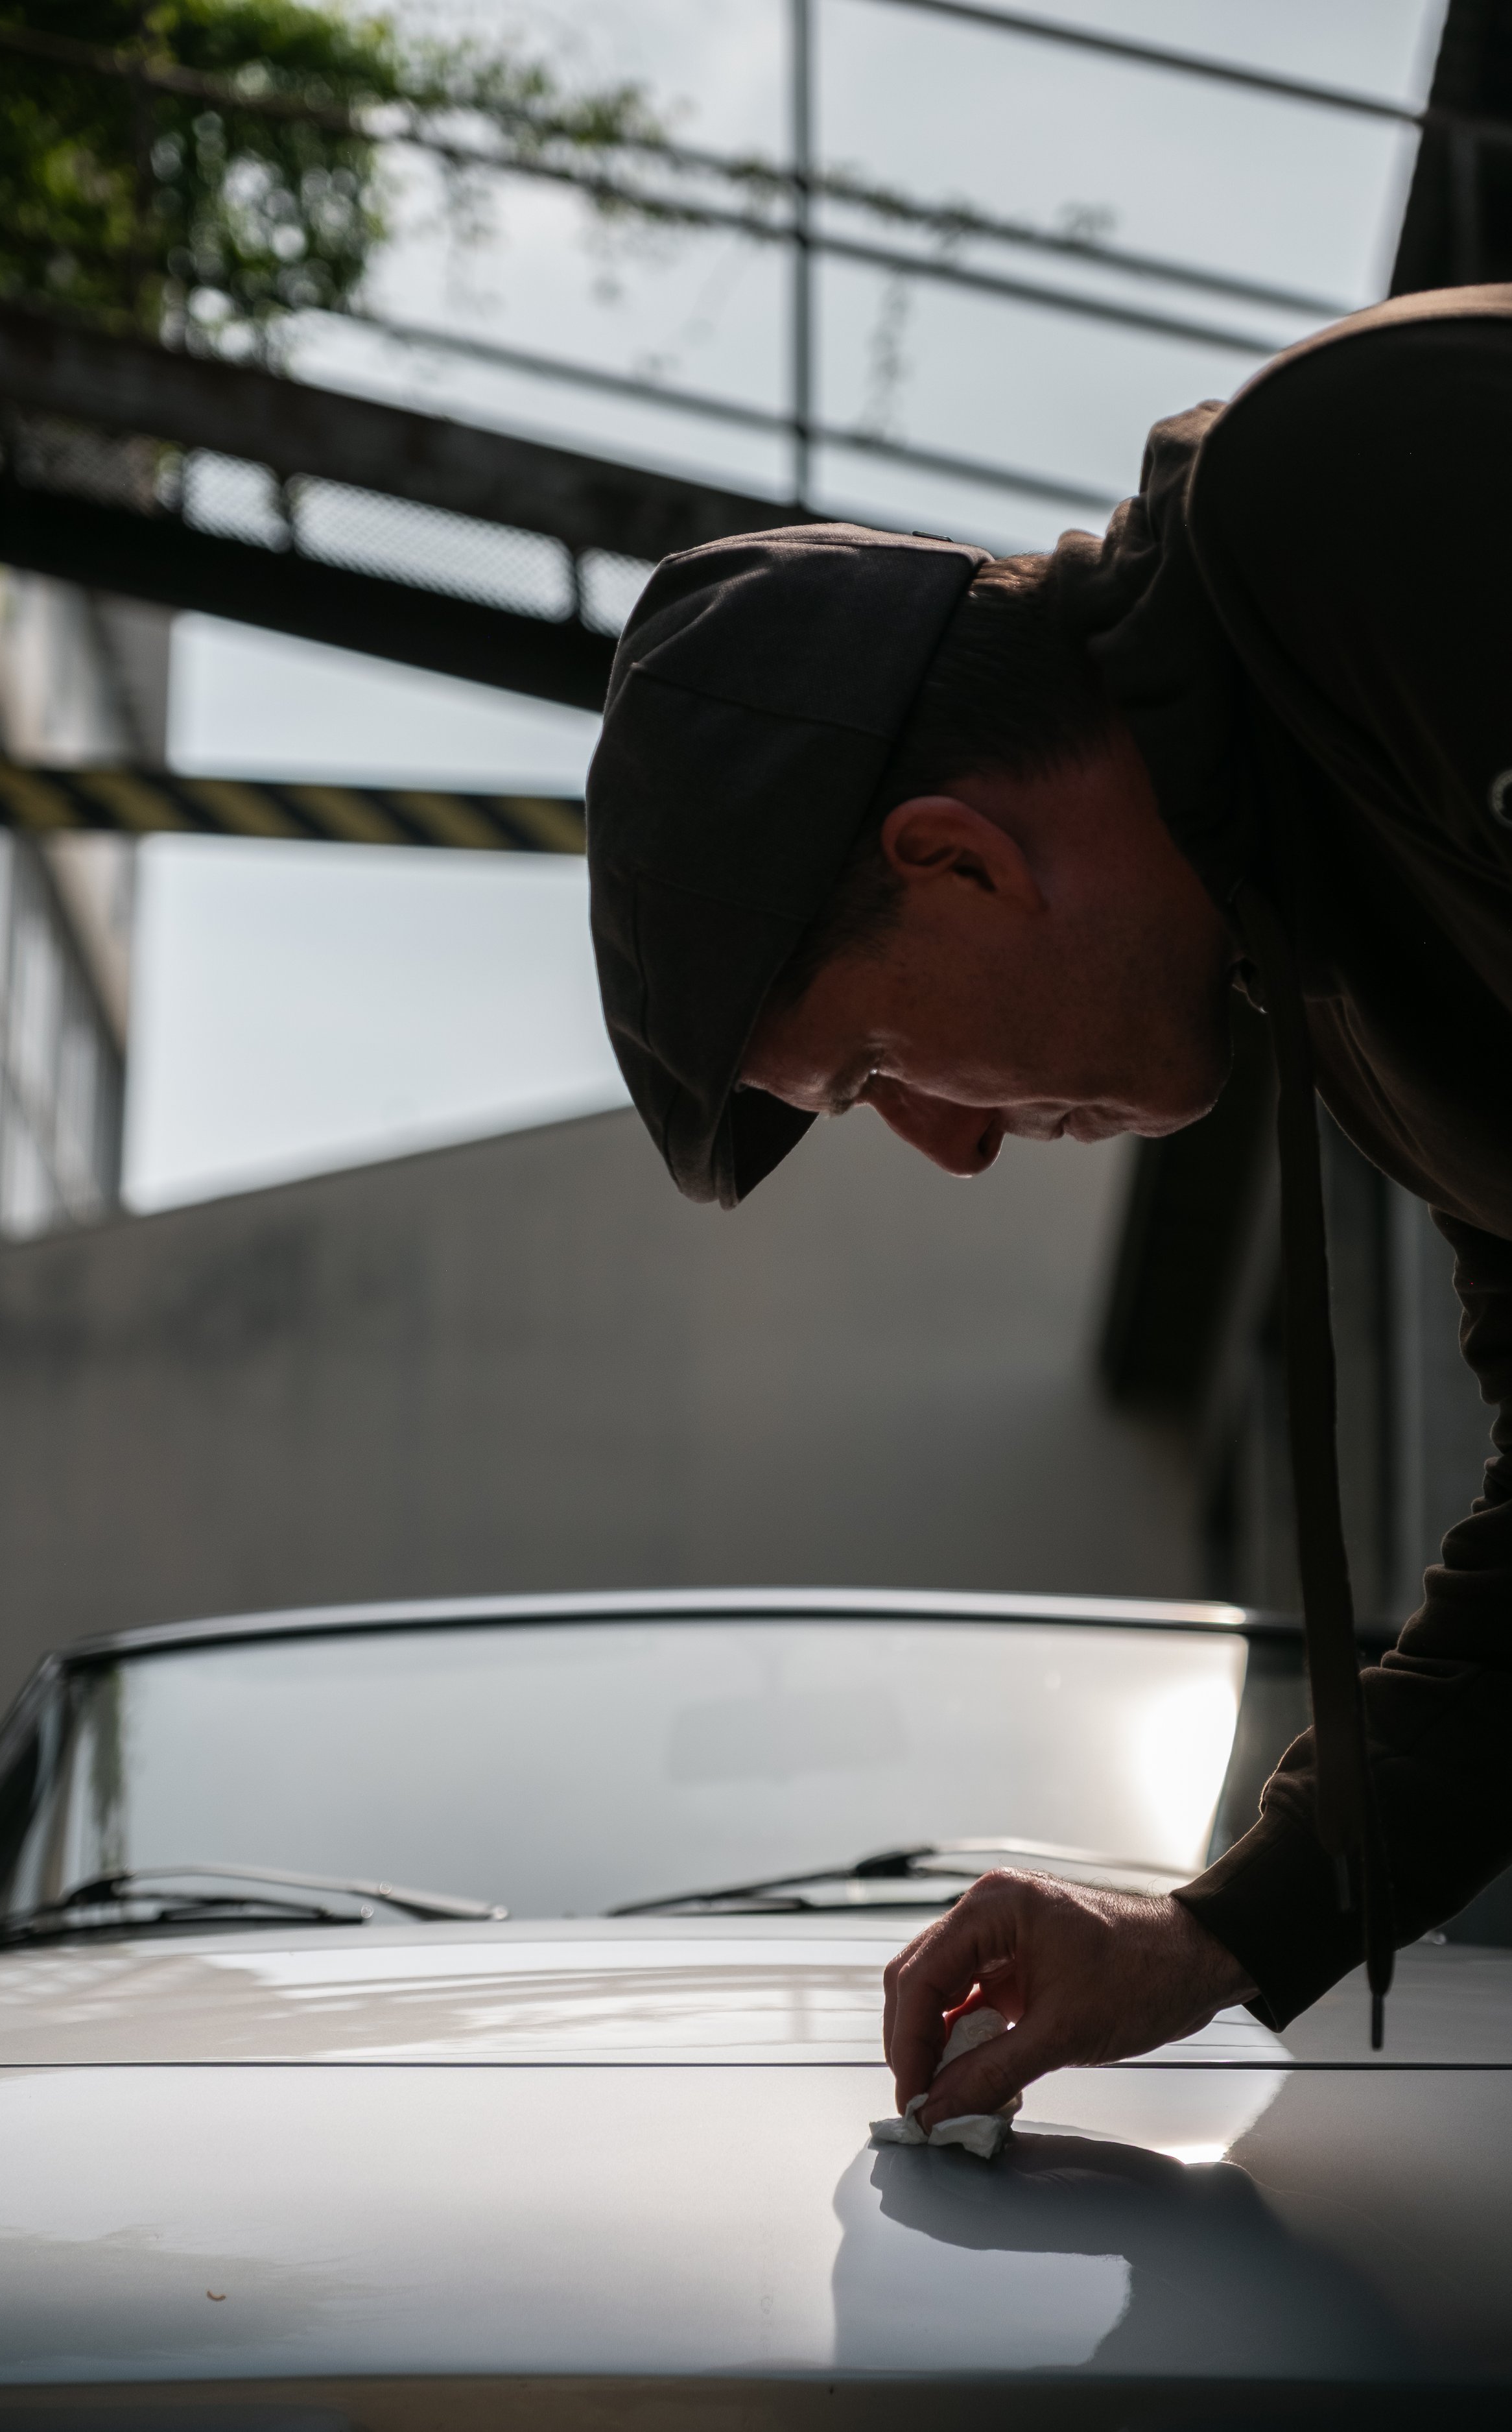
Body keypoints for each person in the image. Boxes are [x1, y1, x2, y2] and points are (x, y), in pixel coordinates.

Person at [584, 281, 1512, 2132]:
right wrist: (1210, 1936)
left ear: (952, 859)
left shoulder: (1343, 501)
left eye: (871, 1071)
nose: (952, 1150)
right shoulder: (1350, 992)